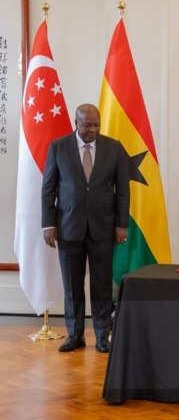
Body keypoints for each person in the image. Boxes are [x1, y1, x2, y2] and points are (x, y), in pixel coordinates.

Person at [42, 103, 130, 353]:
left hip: (103, 227)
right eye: (87, 125)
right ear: (76, 123)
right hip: (68, 227)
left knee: (102, 285)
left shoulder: (114, 148)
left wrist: (121, 224)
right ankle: (75, 334)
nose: (93, 130)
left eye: (96, 125)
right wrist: (48, 224)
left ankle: (102, 335)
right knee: (72, 285)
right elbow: (48, 189)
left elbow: (123, 191)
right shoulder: (58, 147)